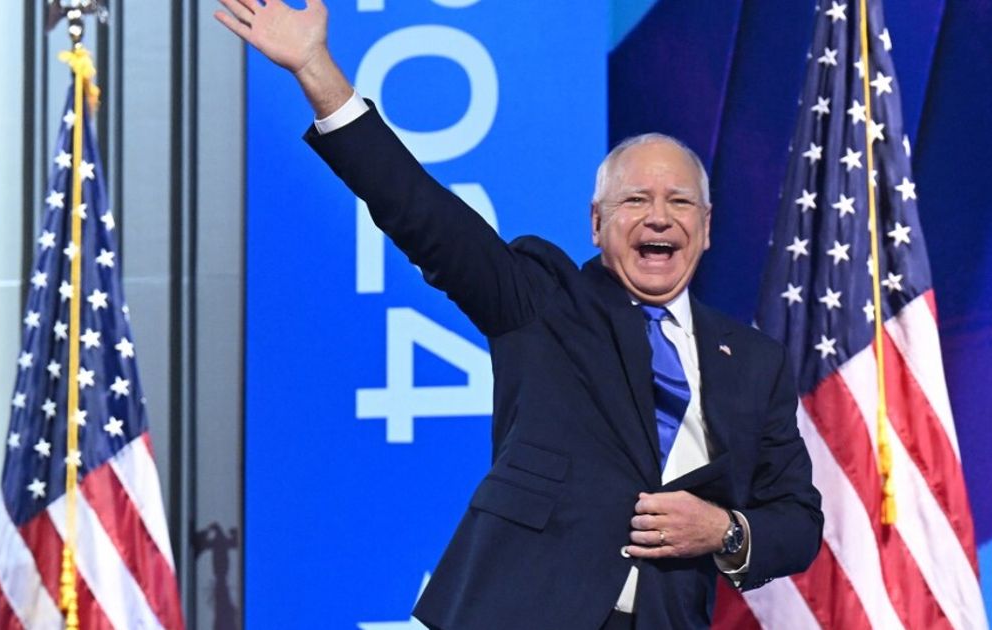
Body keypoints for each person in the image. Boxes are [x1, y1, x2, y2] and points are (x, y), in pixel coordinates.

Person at [215, 1, 822, 628]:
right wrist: (317, 68)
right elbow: (420, 210)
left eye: (680, 202)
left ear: (706, 227)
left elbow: (798, 520)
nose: (659, 217)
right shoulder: (543, 300)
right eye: (635, 199)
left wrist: (724, 530)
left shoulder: (752, 361)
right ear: (597, 223)